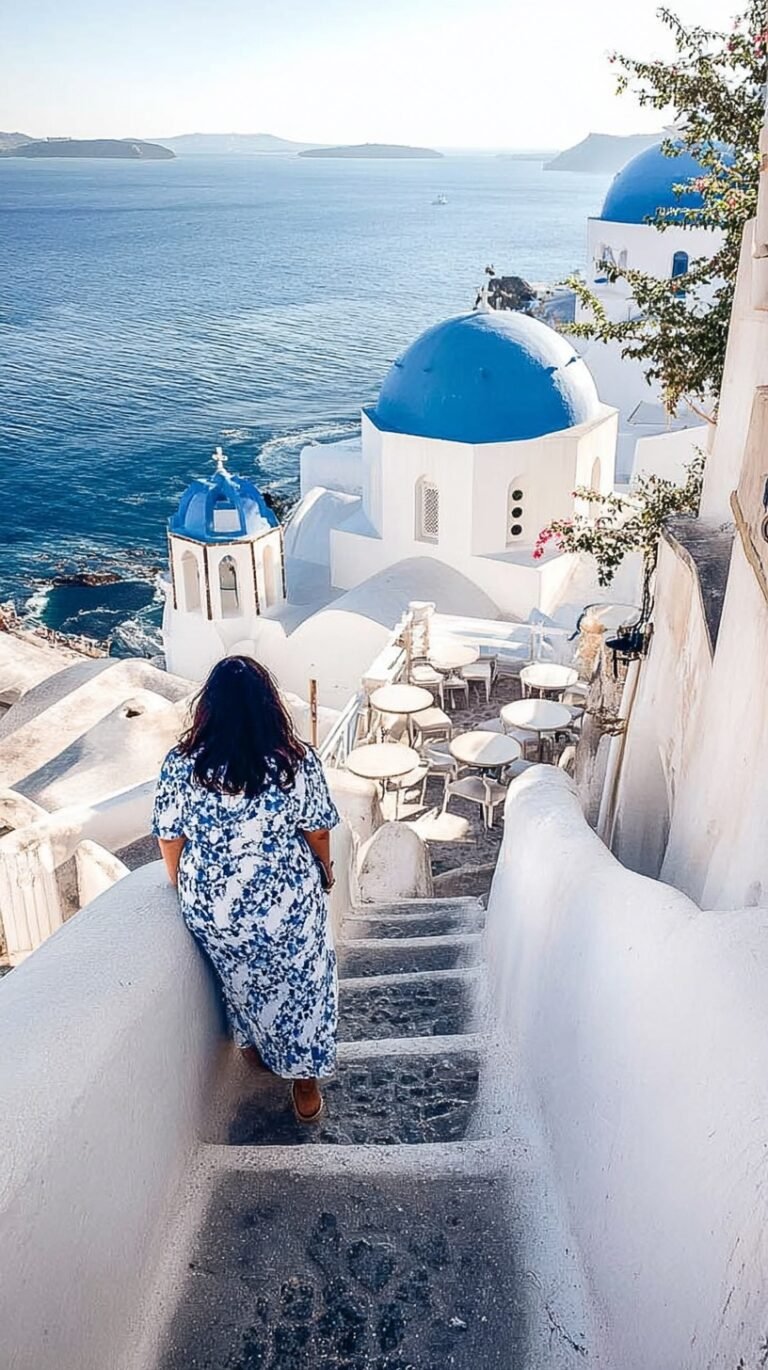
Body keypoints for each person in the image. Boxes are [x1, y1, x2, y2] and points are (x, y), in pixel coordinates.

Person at [152, 655, 340, 1123]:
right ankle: (305, 1083)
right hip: (285, 900)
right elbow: (317, 829)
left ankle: (256, 1047)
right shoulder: (294, 762)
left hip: (215, 908)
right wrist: (325, 868)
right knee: (303, 983)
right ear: (268, 706)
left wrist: (183, 886)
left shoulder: (181, 766)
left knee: (245, 979)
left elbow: (170, 836)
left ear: (207, 708)